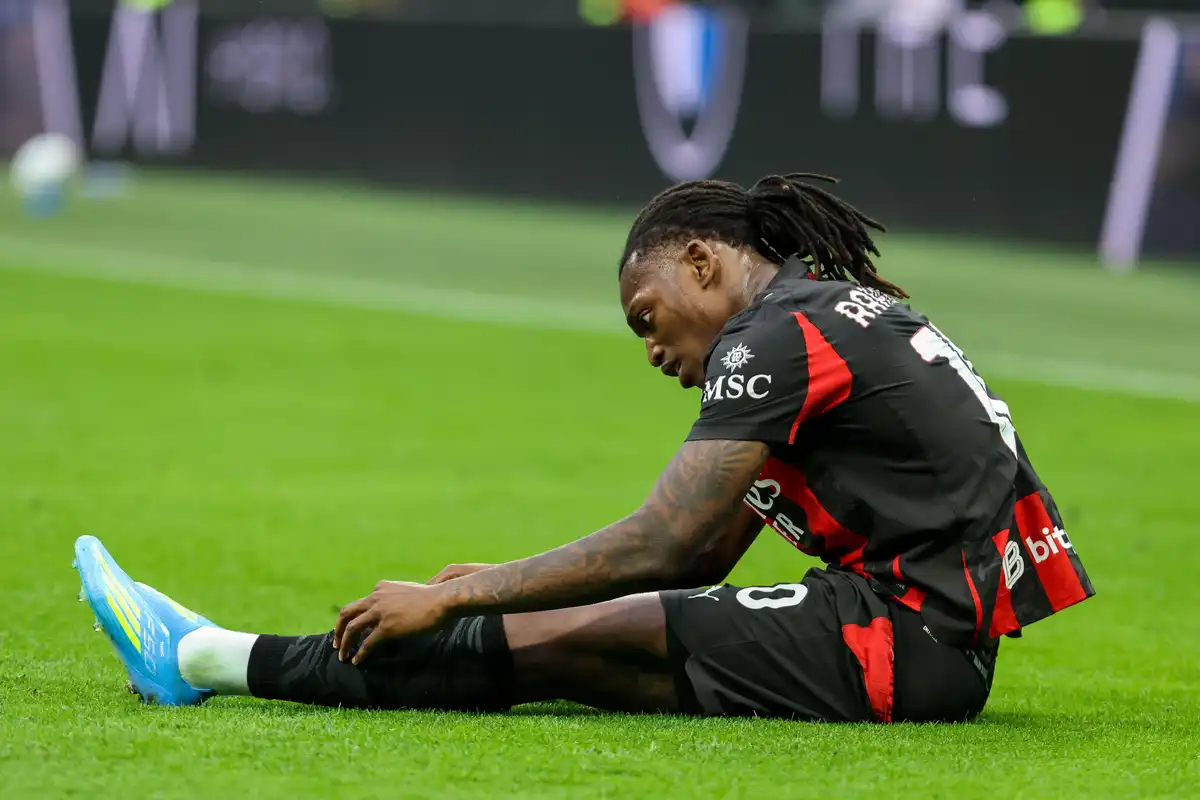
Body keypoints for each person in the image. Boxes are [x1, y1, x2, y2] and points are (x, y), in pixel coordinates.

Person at [76, 173, 1095, 723]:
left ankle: (206, 656)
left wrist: (463, 593)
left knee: (563, 641)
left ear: (703, 261)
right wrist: (510, 585)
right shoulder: (824, 318)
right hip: (928, 646)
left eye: (650, 317)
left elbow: (668, 542)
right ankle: (213, 657)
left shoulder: (776, 337)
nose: (653, 349)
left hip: (899, 639)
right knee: (578, 652)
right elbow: (700, 555)